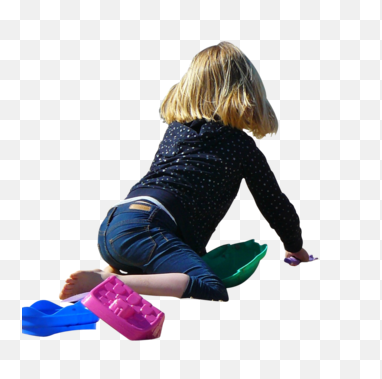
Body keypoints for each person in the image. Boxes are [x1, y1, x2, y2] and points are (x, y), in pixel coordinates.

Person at [59, 42, 311, 302]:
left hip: (114, 227)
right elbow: (273, 202)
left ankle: (109, 269)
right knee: (209, 285)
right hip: (147, 229)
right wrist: (295, 246)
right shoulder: (241, 146)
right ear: (248, 93)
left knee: (160, 259)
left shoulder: (176, 131)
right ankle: (109, 280)